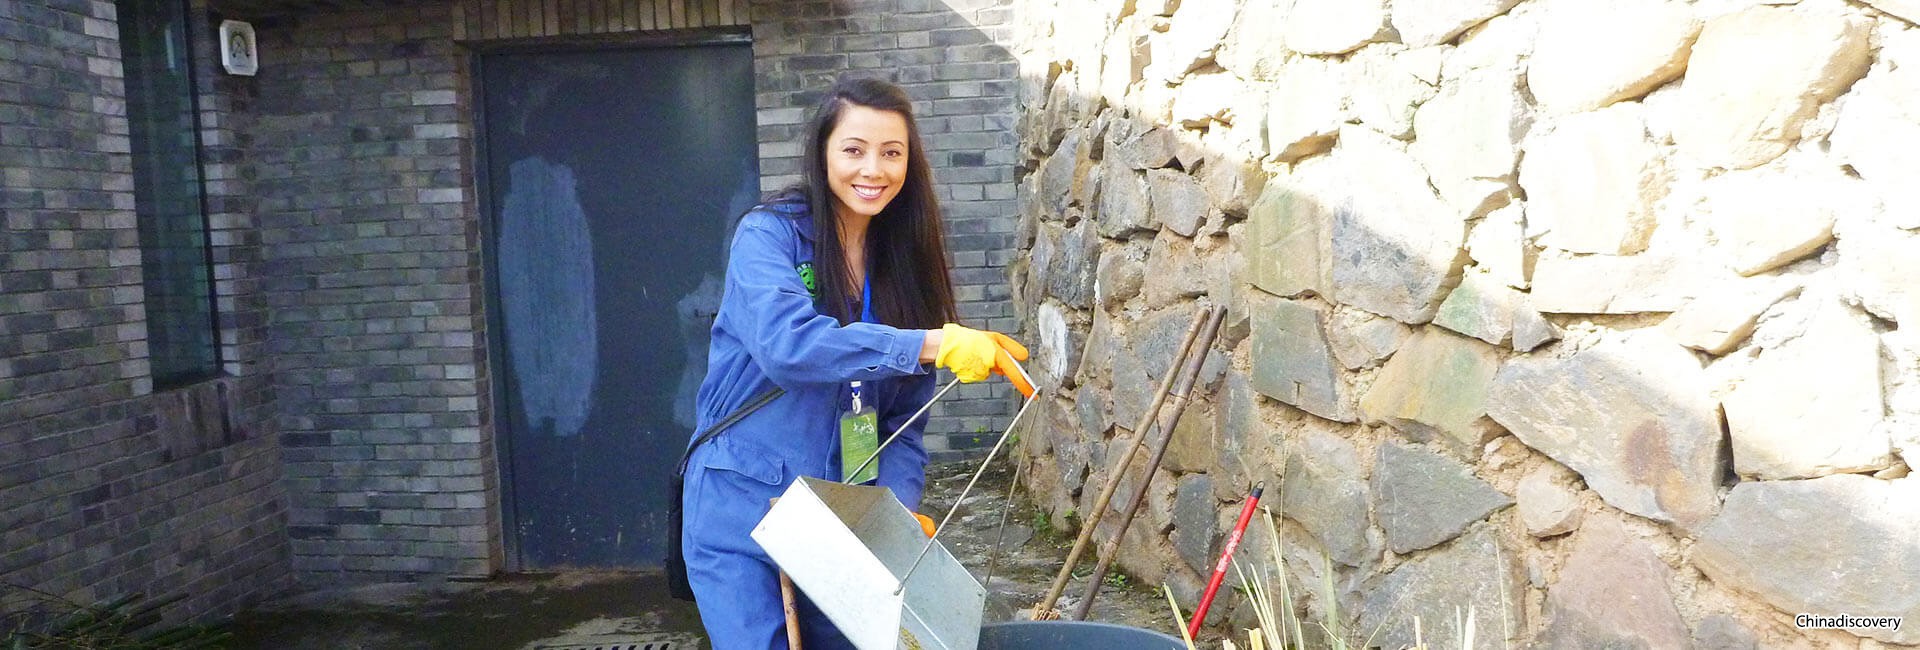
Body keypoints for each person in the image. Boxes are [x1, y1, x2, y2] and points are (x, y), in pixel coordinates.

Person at [680, 76, 1033, 649]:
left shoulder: (905, 263)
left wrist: (893, 512)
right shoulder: (768, 237)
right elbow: (787, 347)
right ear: (823, 153)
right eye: (854, 150)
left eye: (892, 153)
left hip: (840, 518)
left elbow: (902, 428)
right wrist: (928, 344)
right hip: (742, 503)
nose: (873, 169)